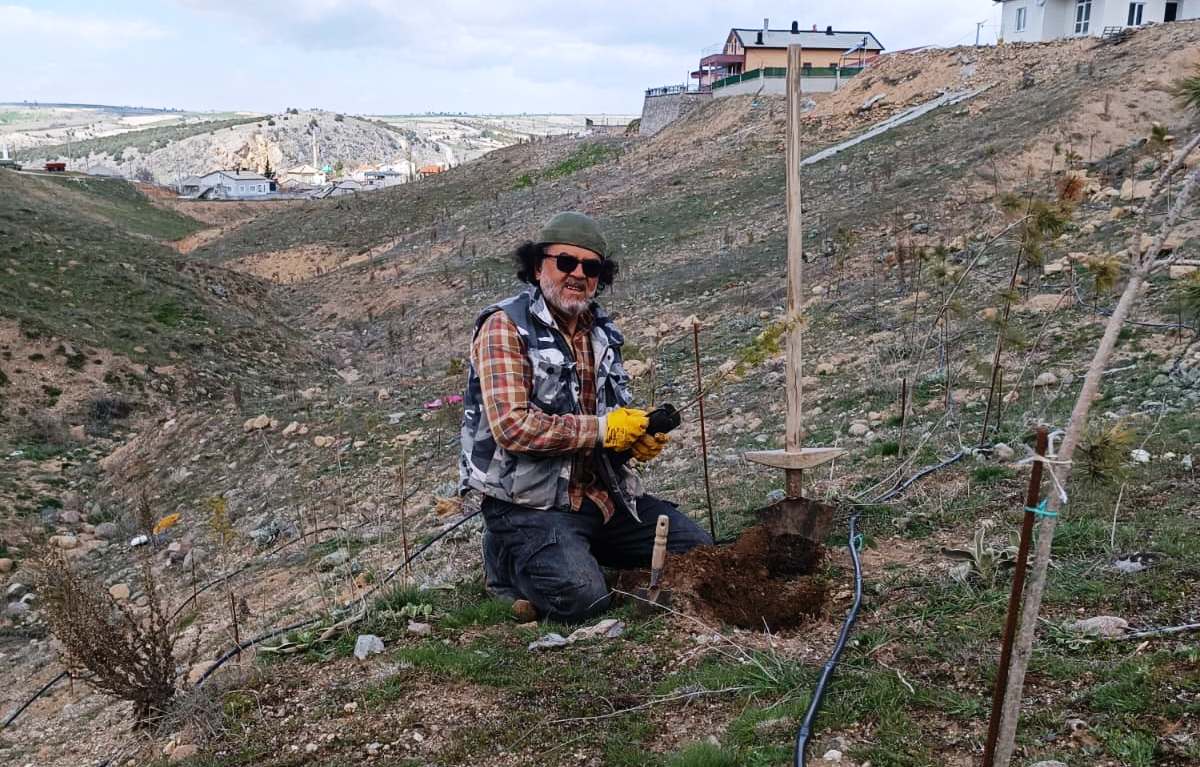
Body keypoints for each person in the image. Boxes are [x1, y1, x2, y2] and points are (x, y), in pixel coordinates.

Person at [459, 211, 712, 623]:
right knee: (584, 600)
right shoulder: (505, 327)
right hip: (529, 505)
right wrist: (603, 431)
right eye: (566, 262)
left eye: (590, 266)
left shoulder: (602, 334)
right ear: (539, 265)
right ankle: (508, 560)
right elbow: (512, 427)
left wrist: (633, 437)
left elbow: (609, 418)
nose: (578, 273)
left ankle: (571, 551)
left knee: (698, 554)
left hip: (602, 498)